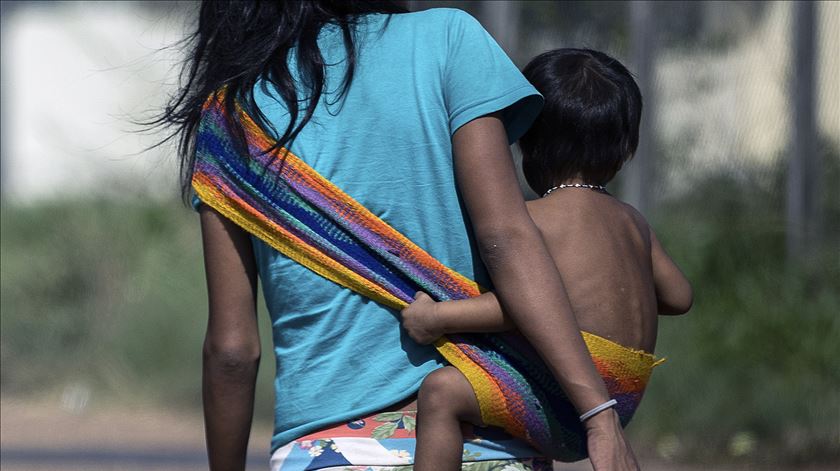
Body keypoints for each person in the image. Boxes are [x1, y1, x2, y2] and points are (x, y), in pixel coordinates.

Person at [157, 2, 639, 469]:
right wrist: (598, 415)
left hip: (332, 451)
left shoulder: (230, 118)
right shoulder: (450, 40)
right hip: (489, 442)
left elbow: (232, 351)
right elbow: (507, 238)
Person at [401, 48, 693, 470]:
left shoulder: (533, 220)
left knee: (440, 393)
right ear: (626, 150)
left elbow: (524, 305)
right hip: (623, 395)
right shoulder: (633, 221)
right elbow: (680, 297)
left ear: (525, 144)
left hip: (569, 397)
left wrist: (437, 319)